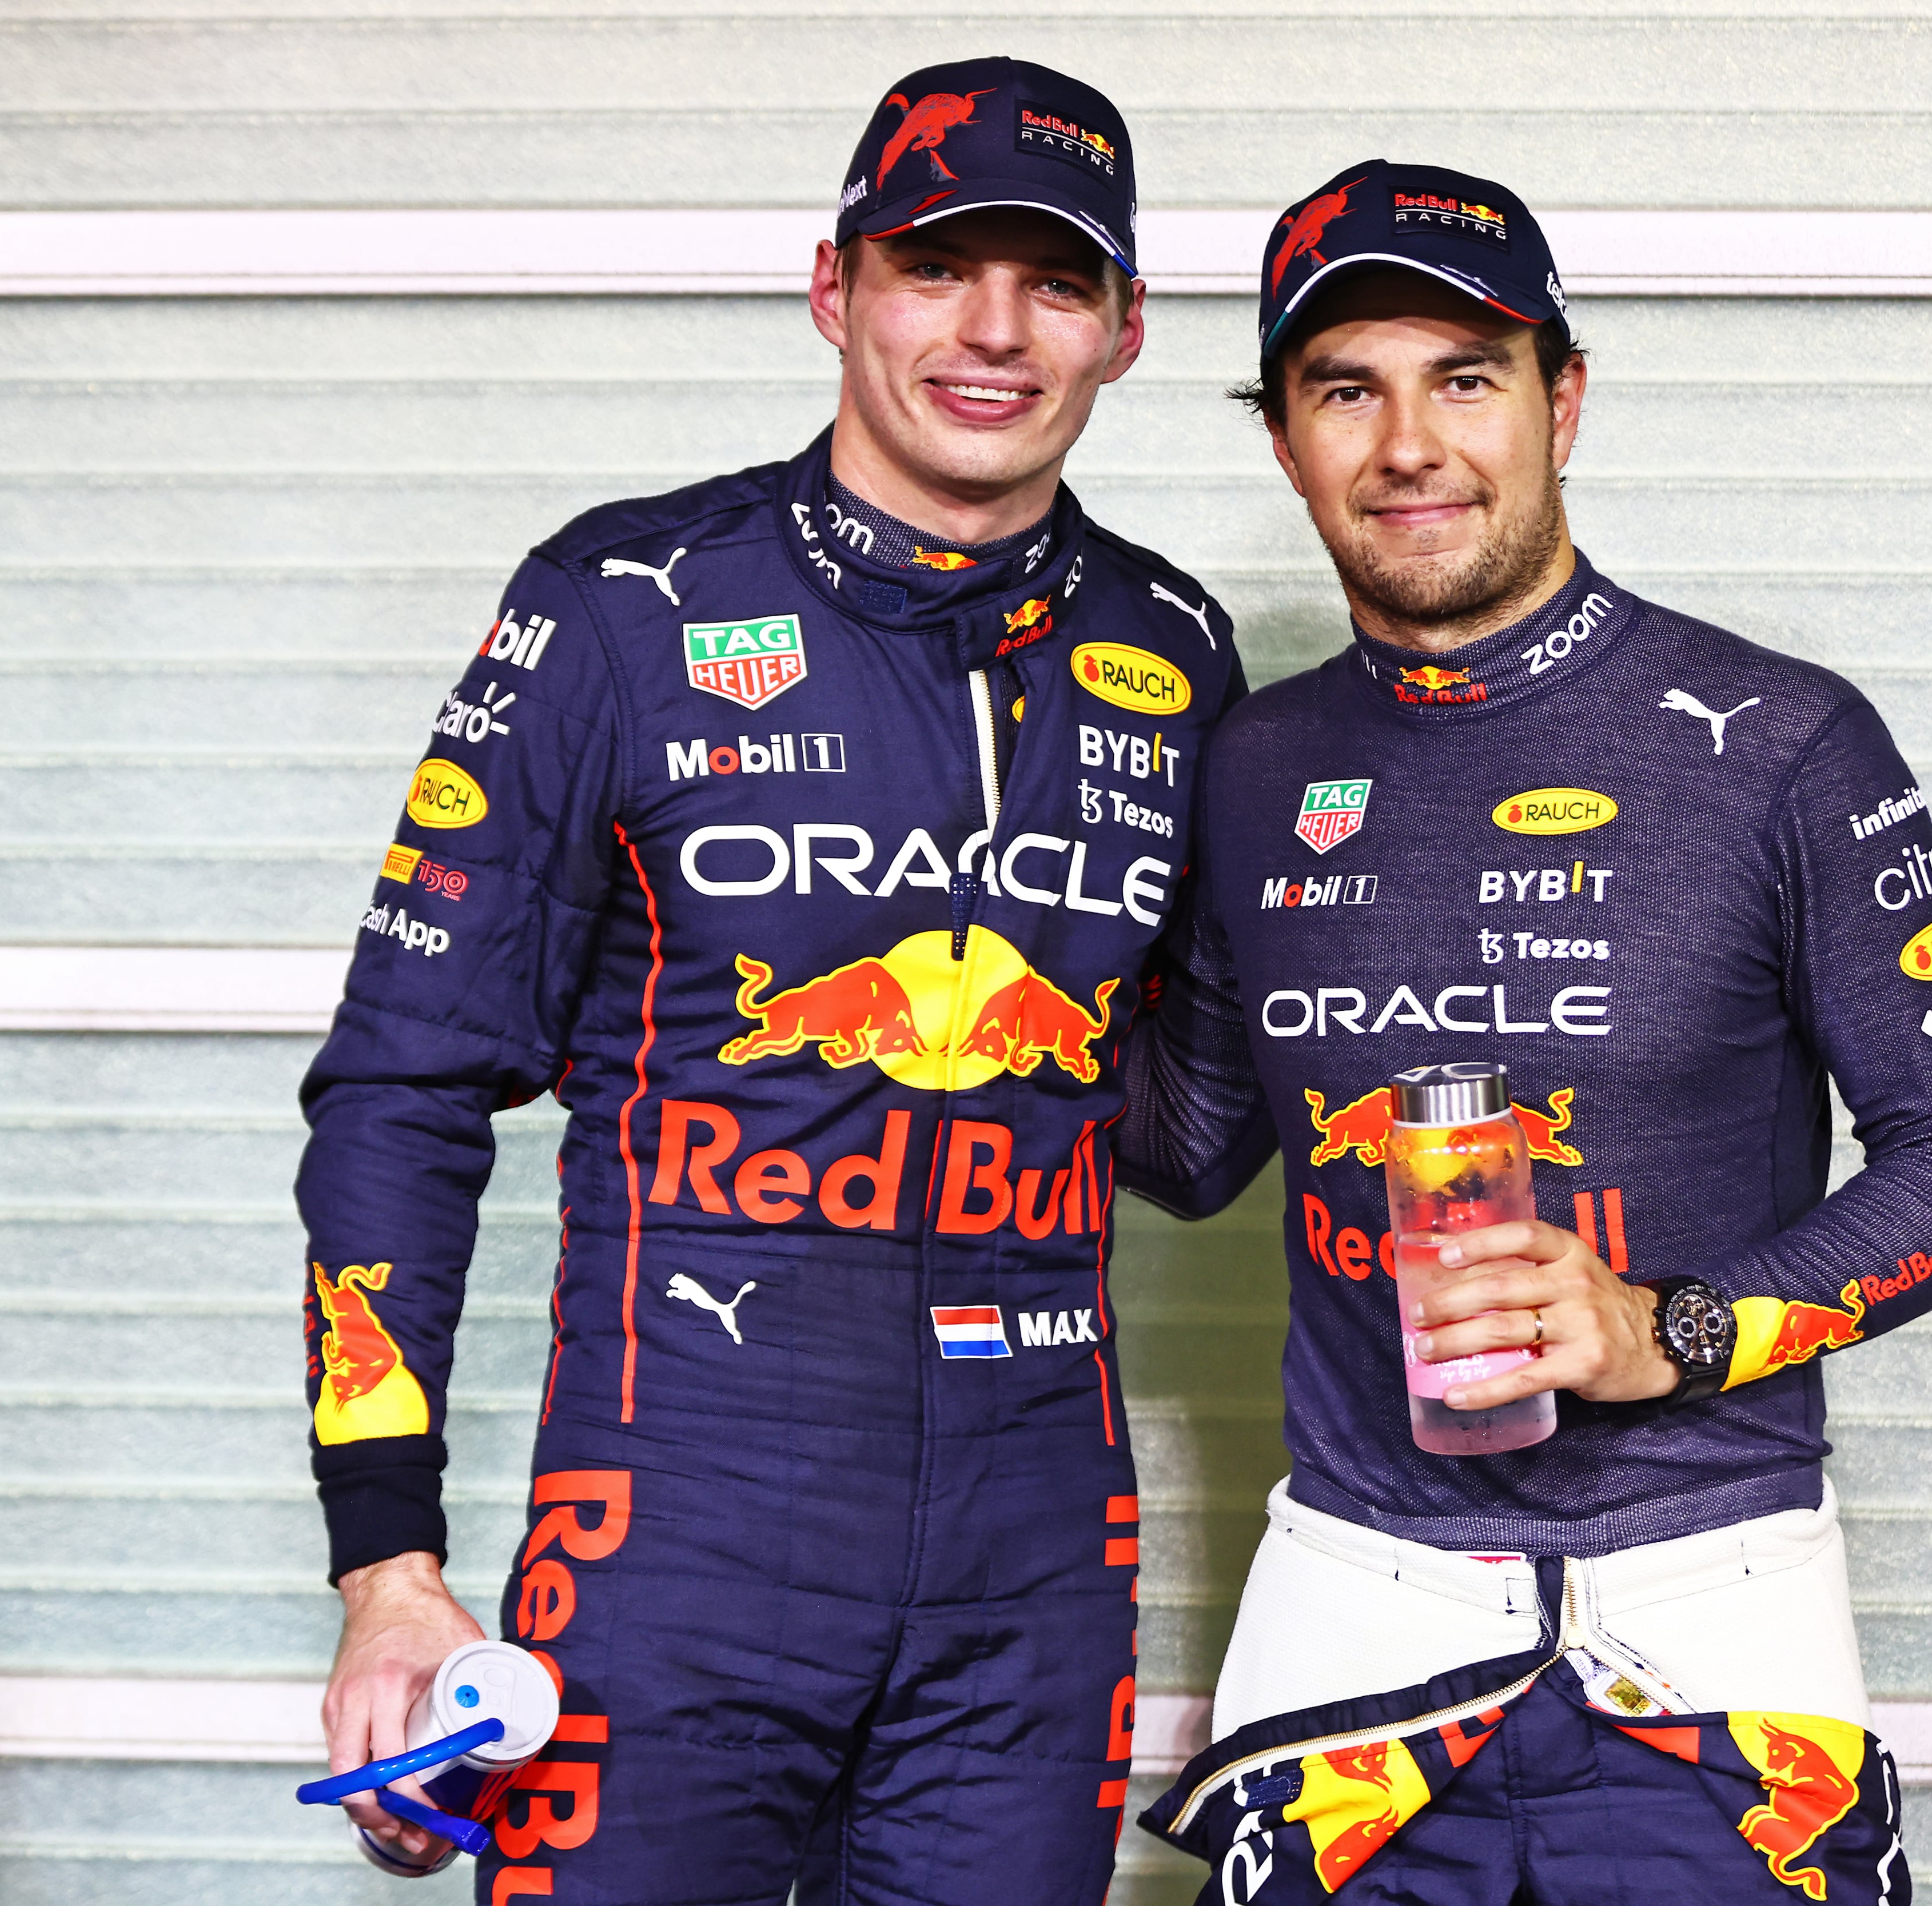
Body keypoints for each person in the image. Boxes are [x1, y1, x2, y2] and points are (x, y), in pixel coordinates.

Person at [297, 58, 1248, 1904]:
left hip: (1036, 1571)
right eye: (933, 266)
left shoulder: (1176, 642)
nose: (992, 332)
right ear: (836, 289)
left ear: (1125, 330)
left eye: (1054, 283)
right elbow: (401, 1091)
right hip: (679, 1543)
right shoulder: (620, 599)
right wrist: (388, 1568)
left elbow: (1192, 1143)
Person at [1118, 161, 1932, 1901]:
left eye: (1465, 376)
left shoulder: (1785, 740)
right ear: (1284, 439)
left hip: (1715, 1651)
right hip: (1358, 1653)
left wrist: (1670, 1328)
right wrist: (955, 922)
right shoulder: (1252, 765)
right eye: (1344, 389)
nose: (1408, 443)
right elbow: (1182, 1144)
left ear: (1566, 399)